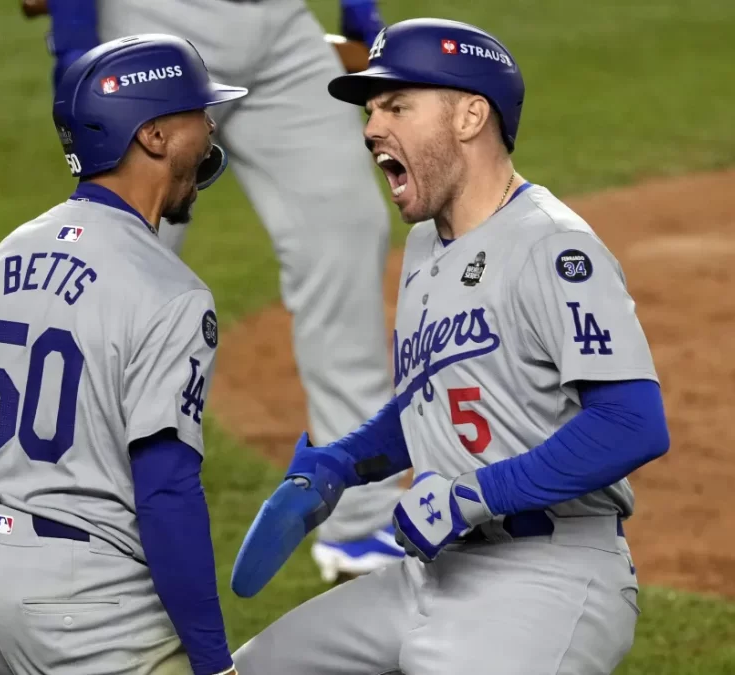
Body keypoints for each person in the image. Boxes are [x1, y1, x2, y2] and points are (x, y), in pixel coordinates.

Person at [228, 18, 671, 674]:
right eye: (373, 109)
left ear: (470, 116)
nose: (372, 127)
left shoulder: (551, 245)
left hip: (548, 574)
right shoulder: (428, 245)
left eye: (398, 106)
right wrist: (341, 465)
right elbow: (435, 398)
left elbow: (633, 424)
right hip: (432, 570)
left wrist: (472, 495)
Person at [23, 0, 408, 581]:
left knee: (345, 230)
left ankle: (361, 519)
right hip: (156, 24)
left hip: (283, 32)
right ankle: (61, 513)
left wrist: (359, 12)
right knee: (122, 256)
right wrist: (75, 46)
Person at [0, 34, 247, 675]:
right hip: (85, 610)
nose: (209, 129)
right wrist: (215, 663)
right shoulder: (171, 292)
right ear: (153, 136)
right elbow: (166, 492)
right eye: (195, 114)